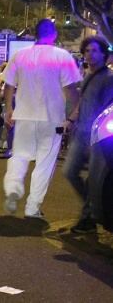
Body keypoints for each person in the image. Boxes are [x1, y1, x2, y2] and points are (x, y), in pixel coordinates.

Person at [3, 19, 81, 220]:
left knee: (19, 155)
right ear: (53, 34)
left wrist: (9, 109)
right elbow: (71, 90)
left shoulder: (20, 55)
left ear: (35, 33)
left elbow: (8, 85)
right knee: (44, 164)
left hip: (24, 116)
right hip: (52, 118)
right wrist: (75, 113)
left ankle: (13, 188)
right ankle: (32, 207)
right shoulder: (62, 56)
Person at [62, 36, 113, 233]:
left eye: (94, 50)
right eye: (87, 51)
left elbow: (107, 108)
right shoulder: (87, 76)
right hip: (81, 132)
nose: (90, 54)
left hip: (98, 138)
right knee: (70, 171)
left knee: (94, 178)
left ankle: (89, 217)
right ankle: (93, 211)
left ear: (103, 54)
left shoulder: (108, 78)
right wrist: (71, 120)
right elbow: (82, 102)